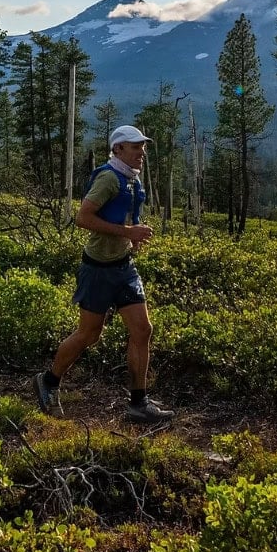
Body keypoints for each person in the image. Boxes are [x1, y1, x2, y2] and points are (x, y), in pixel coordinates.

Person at [34, 125, 175, 423]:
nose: (142, 153)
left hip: (124, 267)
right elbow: (82, 218)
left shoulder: (131, 181)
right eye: (135, 147)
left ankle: (139, 403)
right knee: (89, 334)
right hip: (97, 269)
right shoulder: (109, 178)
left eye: (143, 147)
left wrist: (131, 237)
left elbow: (123, 216)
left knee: (142, 330)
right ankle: (48, 381)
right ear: (118, 149)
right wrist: (128, 231)